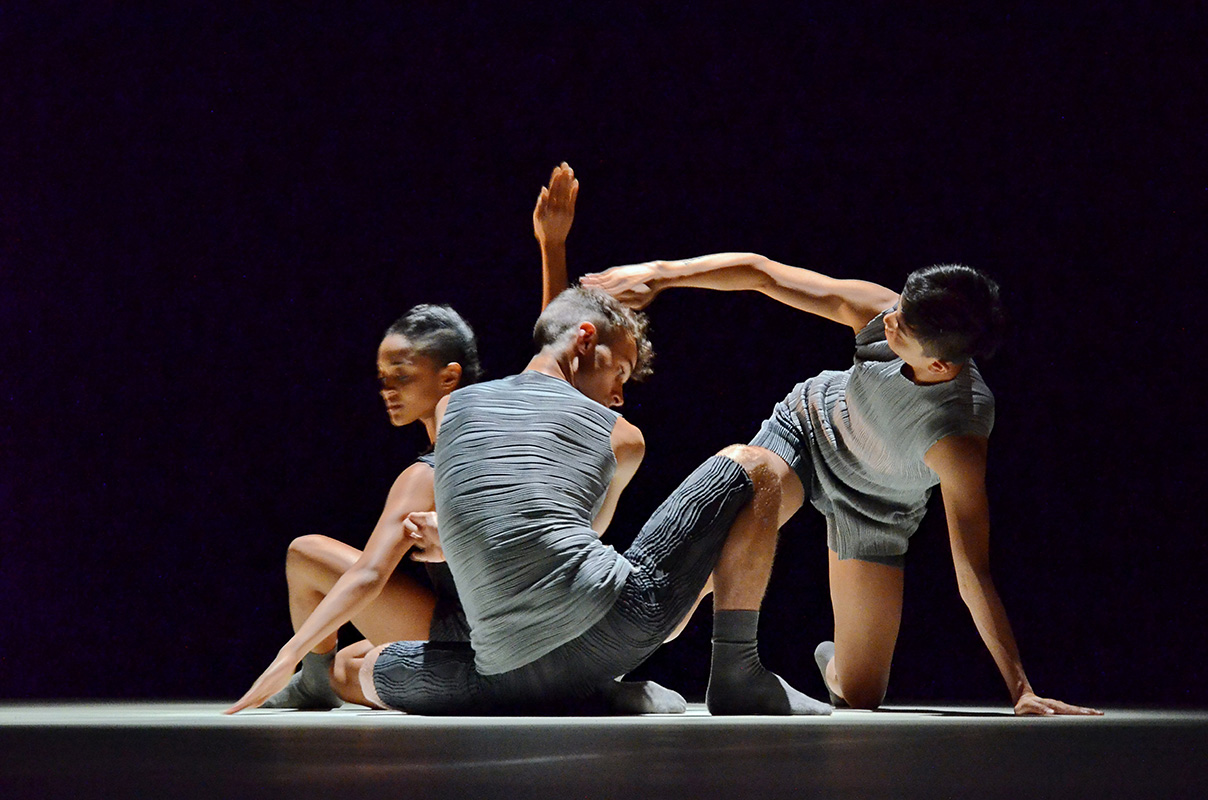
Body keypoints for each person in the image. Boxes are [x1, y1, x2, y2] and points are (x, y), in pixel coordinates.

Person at [581, 253, 1102, 716]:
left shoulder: (958, 434)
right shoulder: (882, 313)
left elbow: (974, 571)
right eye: (897, 307)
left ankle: (834, 661)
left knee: (861, 693)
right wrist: (661, 275)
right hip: (807, 434)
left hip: (876, 507)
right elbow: (763, 274)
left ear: (940, 363)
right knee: (692, 584)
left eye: (902, 325)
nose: (889, 318)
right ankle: (595, 667)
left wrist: (1021, 690)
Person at [355, 285, 833, 716]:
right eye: (620, 371)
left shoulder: (451, 408)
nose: (619, 395)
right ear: (585, 339)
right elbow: (589, 533)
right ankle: (736, 670)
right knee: (755, 465)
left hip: (500, 674)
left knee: (367, 668)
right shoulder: (622, 436)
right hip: (616, 633)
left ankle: (583, 693)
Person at [225, 164, 581, 713]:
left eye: (402, 376)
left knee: (305, 555)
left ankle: (313, 682)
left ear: (449, 376)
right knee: (348, 662)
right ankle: (320, 679)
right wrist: (552, 247)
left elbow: (556, 357)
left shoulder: (435, 468)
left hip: (482, 631)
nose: (387, 390)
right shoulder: (480, 437)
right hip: (489, 623)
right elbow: (555, 368)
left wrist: (284, 656)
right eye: (382, 378)